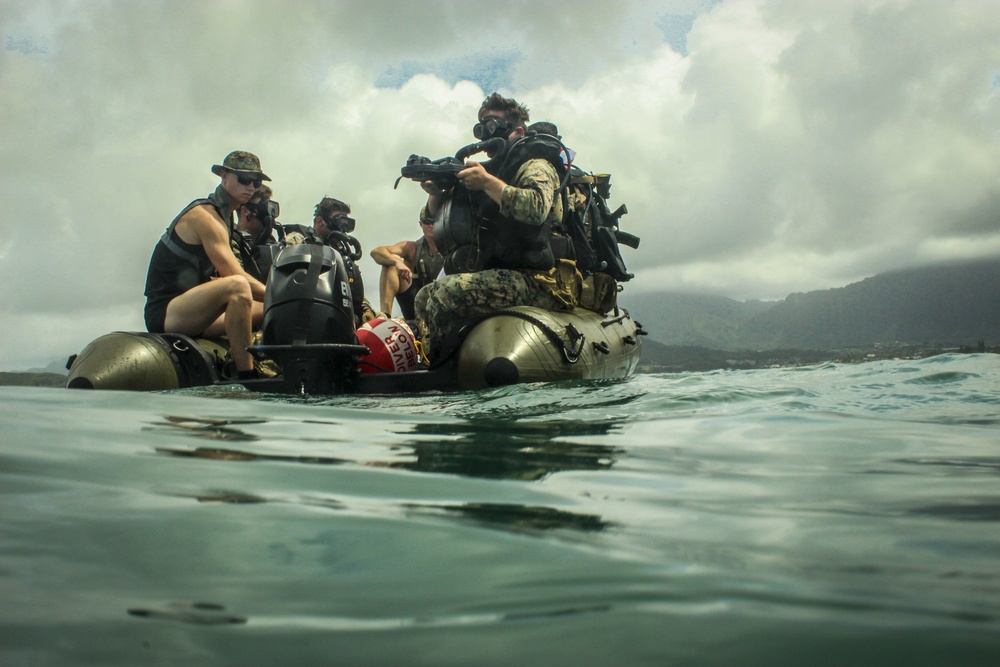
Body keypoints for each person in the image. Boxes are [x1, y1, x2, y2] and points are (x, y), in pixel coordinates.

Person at [414, 93, 580, 360]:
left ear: (517, 130)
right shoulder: (492, 171)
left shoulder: (536, 165)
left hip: (540, 280)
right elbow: (431, 220)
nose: (485, 135)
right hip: (500, 271)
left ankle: (442, 370)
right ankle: (440, 357)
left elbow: (536, 208)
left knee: (445, 293)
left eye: (492, 125)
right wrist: (437, 191)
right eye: (482, 126)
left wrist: (487, 183)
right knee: (424, 296)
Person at [143, 151, 269, 378]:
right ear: (224, 175)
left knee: (268, 308)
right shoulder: (205, 216)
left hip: (196, 311)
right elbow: (233, 274)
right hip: (167, 312)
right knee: (238, 285)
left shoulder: (226, 216)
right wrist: (282, 294)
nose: (250, 186)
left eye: (256, 181)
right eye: (243, 179)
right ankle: (247, 375)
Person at [283, 196, 376, 325]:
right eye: (339, 221)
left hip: (341, 311)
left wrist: (366, 308)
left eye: (346, 223)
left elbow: (348, 286)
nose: (342, 228)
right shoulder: (299, 240)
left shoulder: (340, 251)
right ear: (320, 221)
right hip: (307, 309)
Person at [369, 215, 444, 320]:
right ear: (421, 224)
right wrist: (397, 262)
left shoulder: (452, 246)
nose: (430, 225)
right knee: (391, 261)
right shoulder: (412, 248)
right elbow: (376, 252)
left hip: (443, 302)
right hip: (415, 305)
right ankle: (384, 317)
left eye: (434, 221)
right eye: (426, 221)